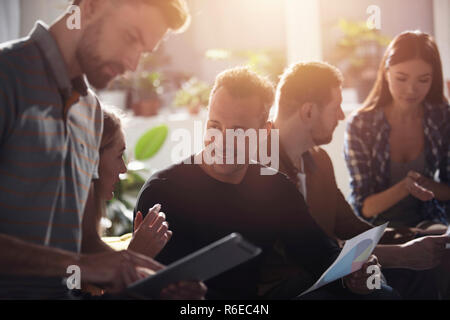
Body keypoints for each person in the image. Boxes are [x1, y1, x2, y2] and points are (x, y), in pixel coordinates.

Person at [134, 67, 397, 300]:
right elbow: (142, 285)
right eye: (214, 125)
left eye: (238, 131)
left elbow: (320, 256)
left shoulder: (275, 188)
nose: (222, 141)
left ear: (265, 132)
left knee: (380, 293)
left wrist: (354, 274)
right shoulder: (164, 192)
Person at [0, 0, 201, 299]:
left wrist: (141, 277)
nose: (133, 64)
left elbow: (85, 245)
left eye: (143, 51)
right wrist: (85, 265)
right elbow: (82, 262)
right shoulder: (7, 76)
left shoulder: (90, 111)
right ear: (92, 6)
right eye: (131, 37)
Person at [273, 61, 450, 299]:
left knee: (419, 272)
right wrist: (399, 254)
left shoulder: (319, 160)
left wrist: (411, 237)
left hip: (335, 269)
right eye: (335, 107)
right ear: (308, 111)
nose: (341, 115)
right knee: (384, 294)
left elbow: (349, 225)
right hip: (300, 282)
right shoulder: (264, 167)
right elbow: (308, 250)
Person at [344, 31, 450, 229]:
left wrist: (425, 185)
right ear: (386, 73)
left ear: (433, 79)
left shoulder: (442, 117)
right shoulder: (360, 124)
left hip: (430, 225)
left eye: (423, 80)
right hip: (376, 231)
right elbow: (363, 207)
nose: (411, 90)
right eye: (401, 78)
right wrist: (405, 187)